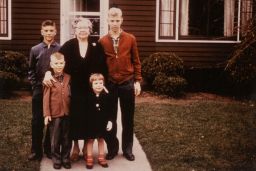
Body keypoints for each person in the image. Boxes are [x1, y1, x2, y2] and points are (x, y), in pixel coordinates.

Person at [43, 18, 107, 162]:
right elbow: (56, 61)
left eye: (85, 27)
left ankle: (85, 148)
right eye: (79, 27)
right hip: (74, 89)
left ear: (90, 30)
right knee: (75, 119)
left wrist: (103, 85)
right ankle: (75, 147)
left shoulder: (97, 46)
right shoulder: (68, 45)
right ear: (75, 30)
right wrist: (48, 72)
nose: (82, 30)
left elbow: (103, 68)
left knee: (88, 118)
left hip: (91, 90)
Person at [99, 7, 142, 161]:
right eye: (112, 20)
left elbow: (136, 61)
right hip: (110, 84)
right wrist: (101, 83)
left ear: (122, 20)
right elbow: (100, 65)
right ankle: (112, 148)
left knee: (127, 118)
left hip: (127, 83)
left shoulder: (130, 38)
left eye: (117, 20)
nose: (115, 23)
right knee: (110, 117)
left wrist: (137, 81)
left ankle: (127, 149)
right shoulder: (102, 41)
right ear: (108, 21)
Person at [28, 20, 60, 161]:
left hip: (54, 91)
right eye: (46, 30)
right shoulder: (35, 49)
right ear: (42, 32)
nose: (48, 33)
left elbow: (61, 68)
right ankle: (36, 150)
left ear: (55, 32)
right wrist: (36, 85)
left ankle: (48, 148)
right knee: (37, 121)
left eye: (51, 30)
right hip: (39, 90)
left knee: (52, 120)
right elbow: (31, 70)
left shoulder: (60, 48)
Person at [43, 52, 71, 169]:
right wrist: (47, 114)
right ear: (51, 64)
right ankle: (56, 159)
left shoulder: (69, 77)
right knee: (55, 138)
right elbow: (45, 98)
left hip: (67, 113)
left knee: (66, 138)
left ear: (64, 63)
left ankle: (65, 158)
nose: (59, 65)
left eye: (61, 63)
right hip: (55, 114)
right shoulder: (49, 79)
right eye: (56, 63)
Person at [85, 73, 112, 169]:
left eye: (101, 83)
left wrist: (110, 121)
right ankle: (89, 157)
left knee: (101, 139)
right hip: (91, 123)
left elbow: (110, 111)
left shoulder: (106, 96)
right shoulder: (88, 96)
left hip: (102, 122)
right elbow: (85, 111)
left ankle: (101, 157)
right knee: (90, 140)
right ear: (91, 85)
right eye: (96, 83)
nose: (99, 85)